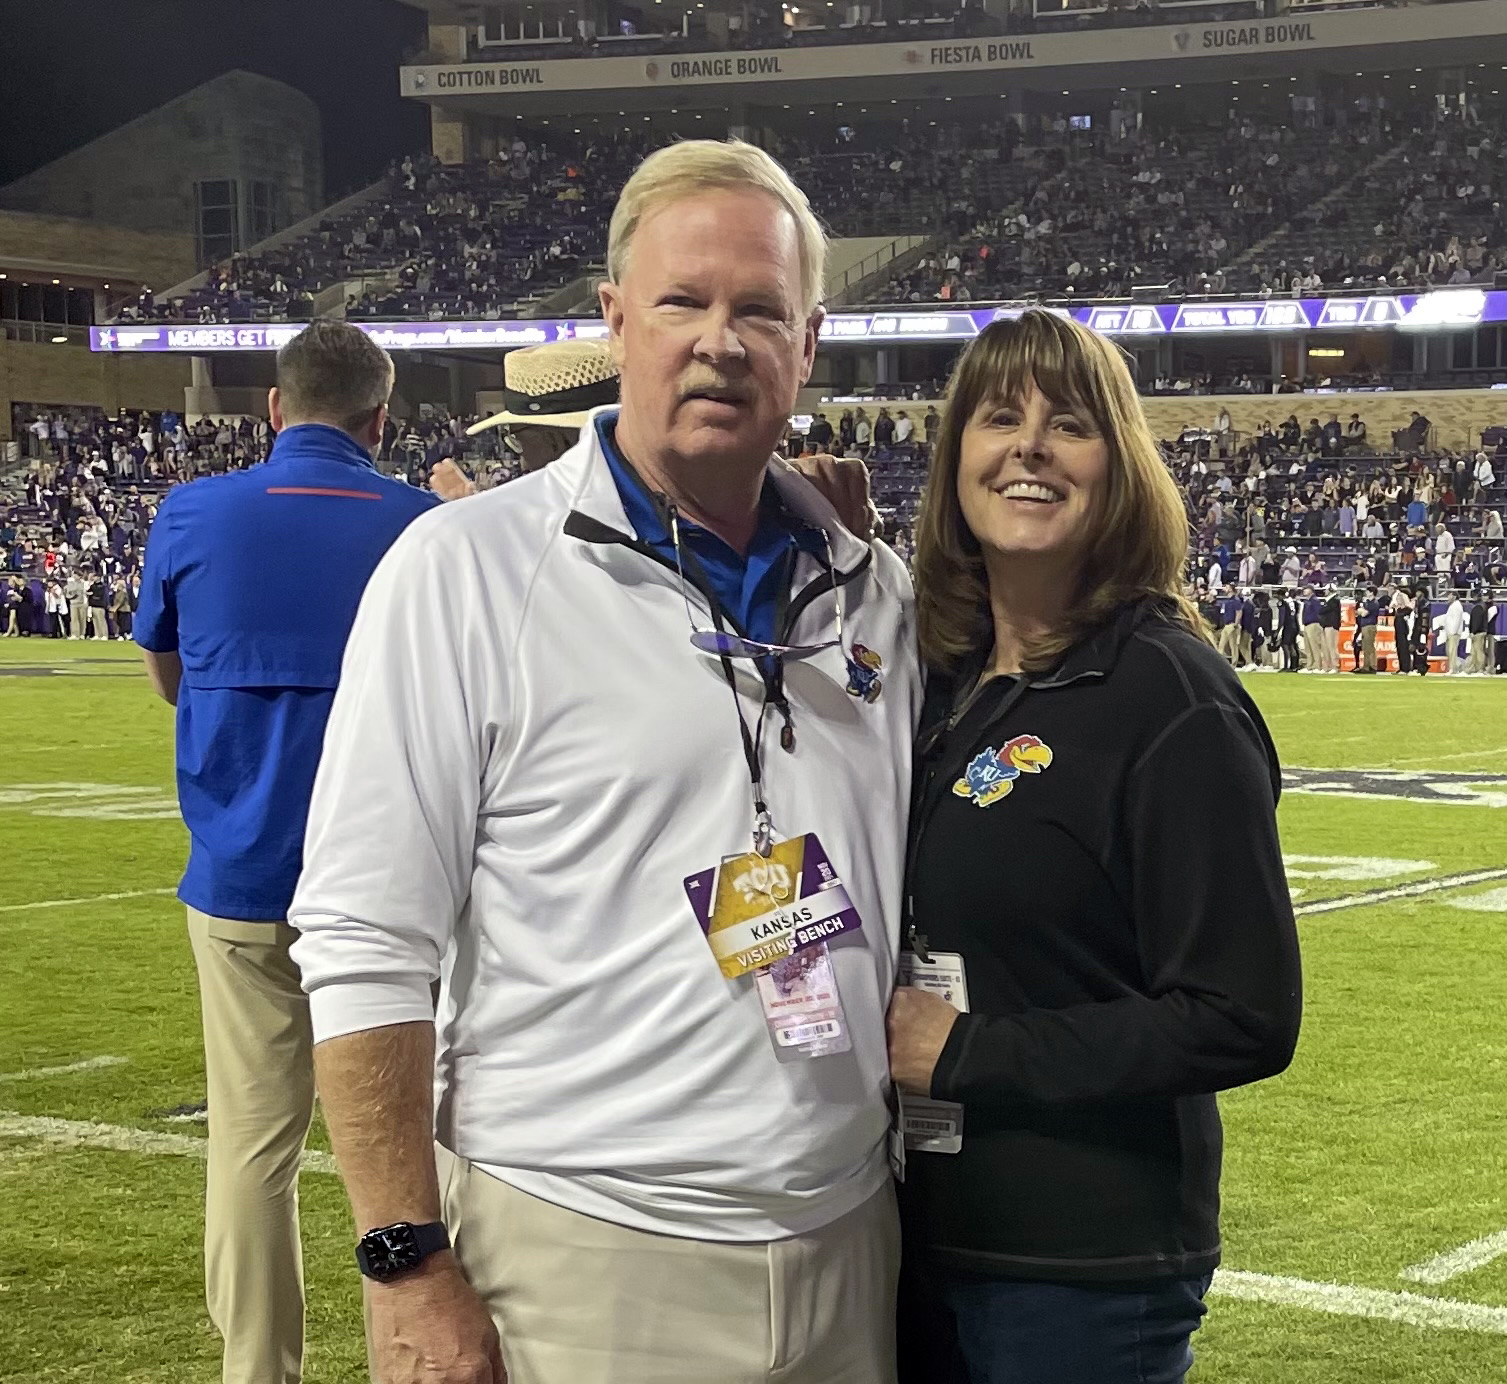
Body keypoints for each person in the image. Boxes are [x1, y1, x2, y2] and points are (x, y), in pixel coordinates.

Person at [289, 140, 920, 1384]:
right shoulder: (465, 570)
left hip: (848, 1241)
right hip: (579, 1254)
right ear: (615, 319)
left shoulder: (873, 592)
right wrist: (404, 1262)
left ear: (811, 342)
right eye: (684, 300)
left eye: (760, 309)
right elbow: (365, 935)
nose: (720, 340)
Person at [892, 311, 1301, 1384]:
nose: (1028, 446)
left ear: (1116, 469)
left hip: (1077, 1267)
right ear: (955, 460)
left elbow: (1242, 1015)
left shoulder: (1169, 696)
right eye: (998, 417)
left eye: (1067, 424)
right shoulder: (934, 680)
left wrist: (968, 1053)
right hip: (908, 1231)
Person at [134, 319, 442, 1384]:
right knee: (431, 1149)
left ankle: (258, 1370)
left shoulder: (191, 511)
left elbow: (170, 674)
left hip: (244, 874)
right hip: (399, 896)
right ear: (381, 417)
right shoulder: (423, 527)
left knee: (253, 1148)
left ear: (275, 406)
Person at [1391, 585, 1415, 676]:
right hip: (1398, 632)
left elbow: (1410, 622)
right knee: (1399, 649)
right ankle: (1401, 667)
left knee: (1404, 650)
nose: (1399, 599)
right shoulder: (1399, 610)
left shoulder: (1408, 610)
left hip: (1405, 632)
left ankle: (1406, 668)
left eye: (1401, 597)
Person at [1468, 594, 1494, 674]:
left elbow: (1476, 621)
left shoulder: (1478, 607)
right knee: (1476, 651)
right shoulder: (1482, 606)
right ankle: (1475, 668)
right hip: (1481, 631)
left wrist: (1473, 631)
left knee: (1478, 651)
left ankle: (1480, 668)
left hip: (1478, 632)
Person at [1300, 585, 1324, 671]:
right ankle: (1309, 665)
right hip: (1307, 625)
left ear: (1311, 590)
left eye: (1306, 589)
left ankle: (1317, 665)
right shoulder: (1307, 601)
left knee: (1315, 646)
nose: (1304, 591)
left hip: (1313, 624)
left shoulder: (1315, 601)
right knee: (1308, 647)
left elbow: (1319, 613)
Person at [1320, 586, 1342, 673]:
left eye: (1326, 589)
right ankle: (1327, 667)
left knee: (1332, 647)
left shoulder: (1334, 600)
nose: (1324, 591)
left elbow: (1324, 610)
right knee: (1325, 648)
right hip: (1326, 625)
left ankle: (1335, 666)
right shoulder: (1328, 601)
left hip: (1331, 626)